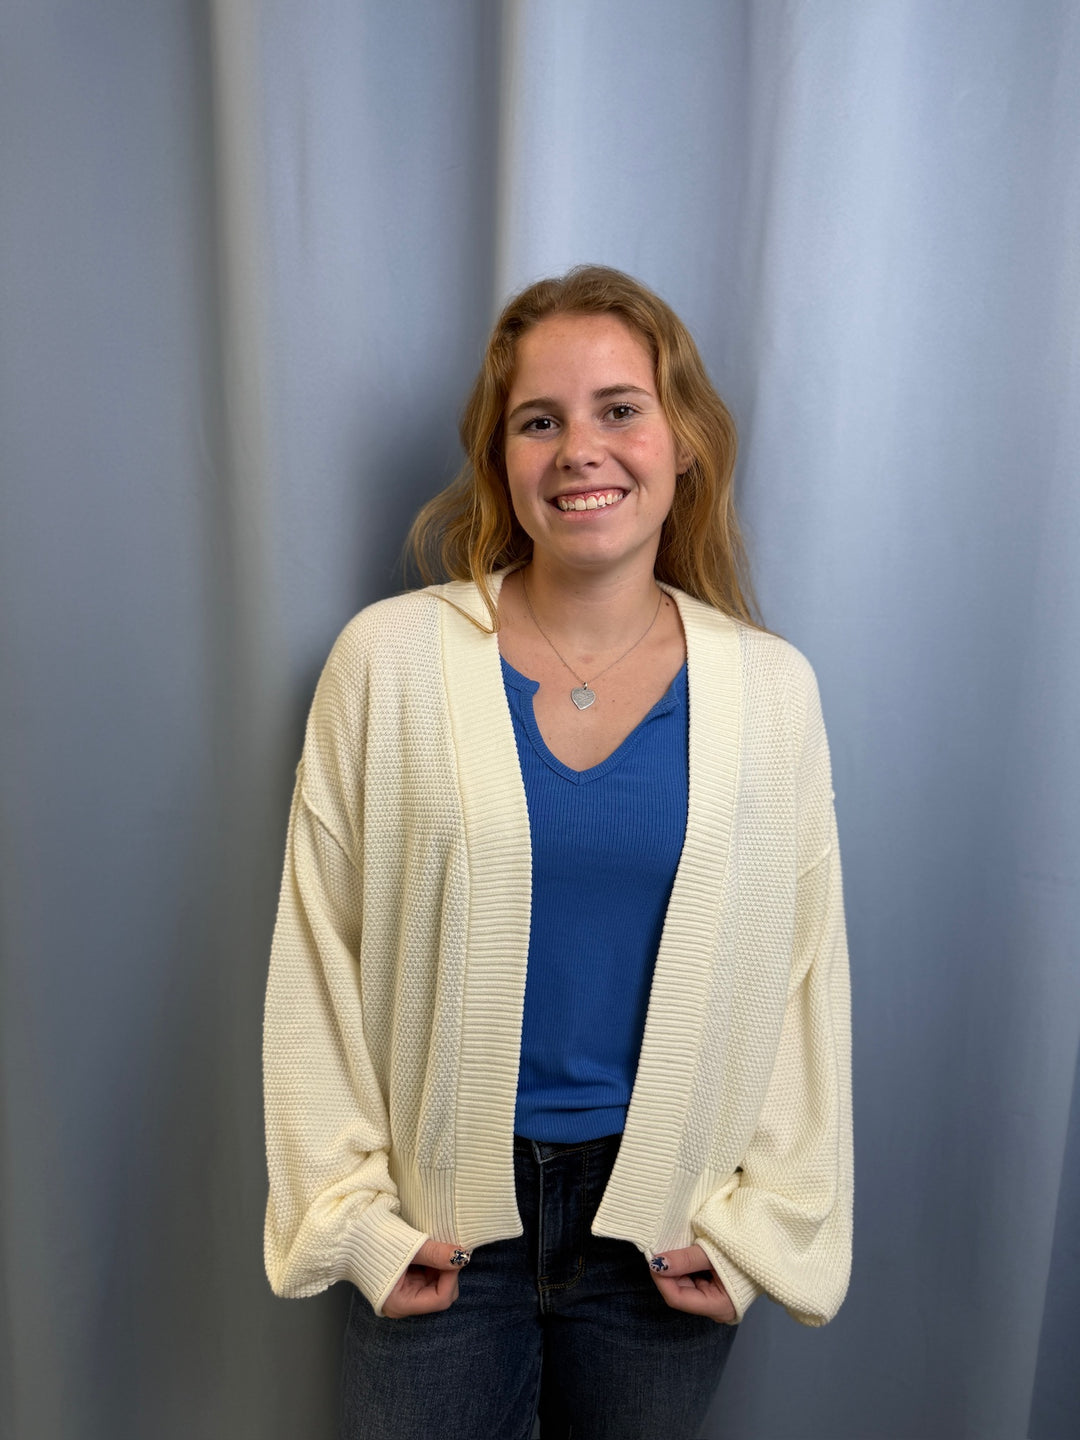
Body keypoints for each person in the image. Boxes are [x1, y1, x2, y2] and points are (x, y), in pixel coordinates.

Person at [263, 265, 852, 1439]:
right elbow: (317, 959)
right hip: (439, 1225)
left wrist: (760, 1232)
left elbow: (802, 983)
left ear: (683, 442)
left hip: (663, 1234)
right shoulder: (387, 663)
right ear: (501, 460)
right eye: (540, 420)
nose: (581, 448)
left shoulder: (772, 691)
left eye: (619, 409)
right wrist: (355, 1221)